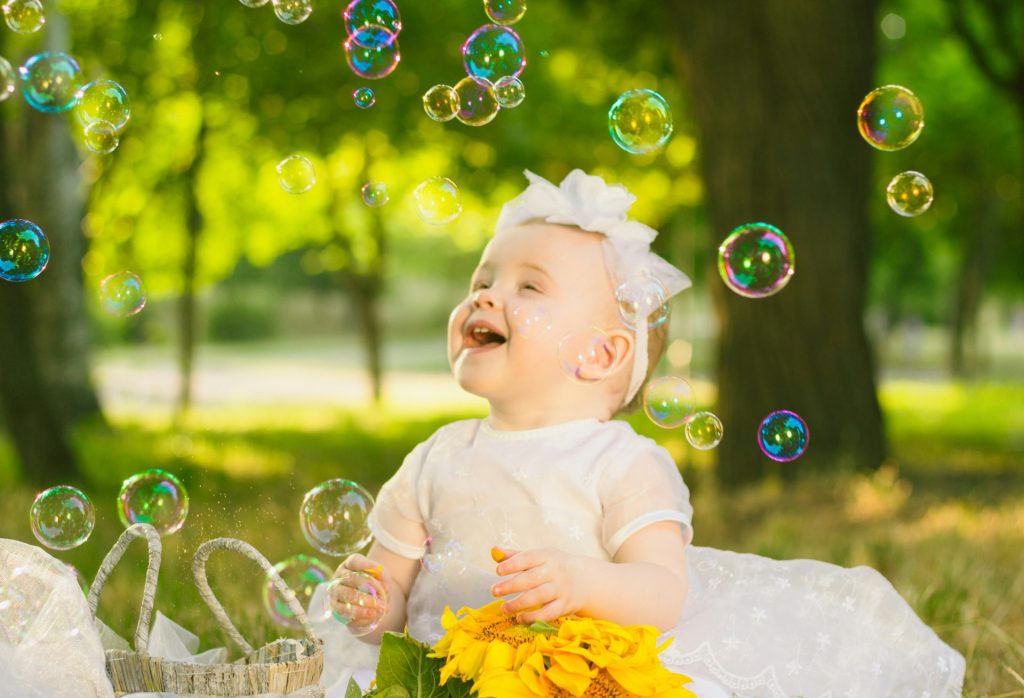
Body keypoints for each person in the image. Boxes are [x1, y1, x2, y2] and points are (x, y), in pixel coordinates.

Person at [314, 169, 965, 697]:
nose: (484, 296)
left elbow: (661, 592)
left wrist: (582, 583)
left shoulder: (621, 463)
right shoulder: (436, 458)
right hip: (448, 680)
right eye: (482, 280)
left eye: (528, 286)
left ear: (601, 354)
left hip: (583, 679)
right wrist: (372, 608)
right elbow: (392, 601)